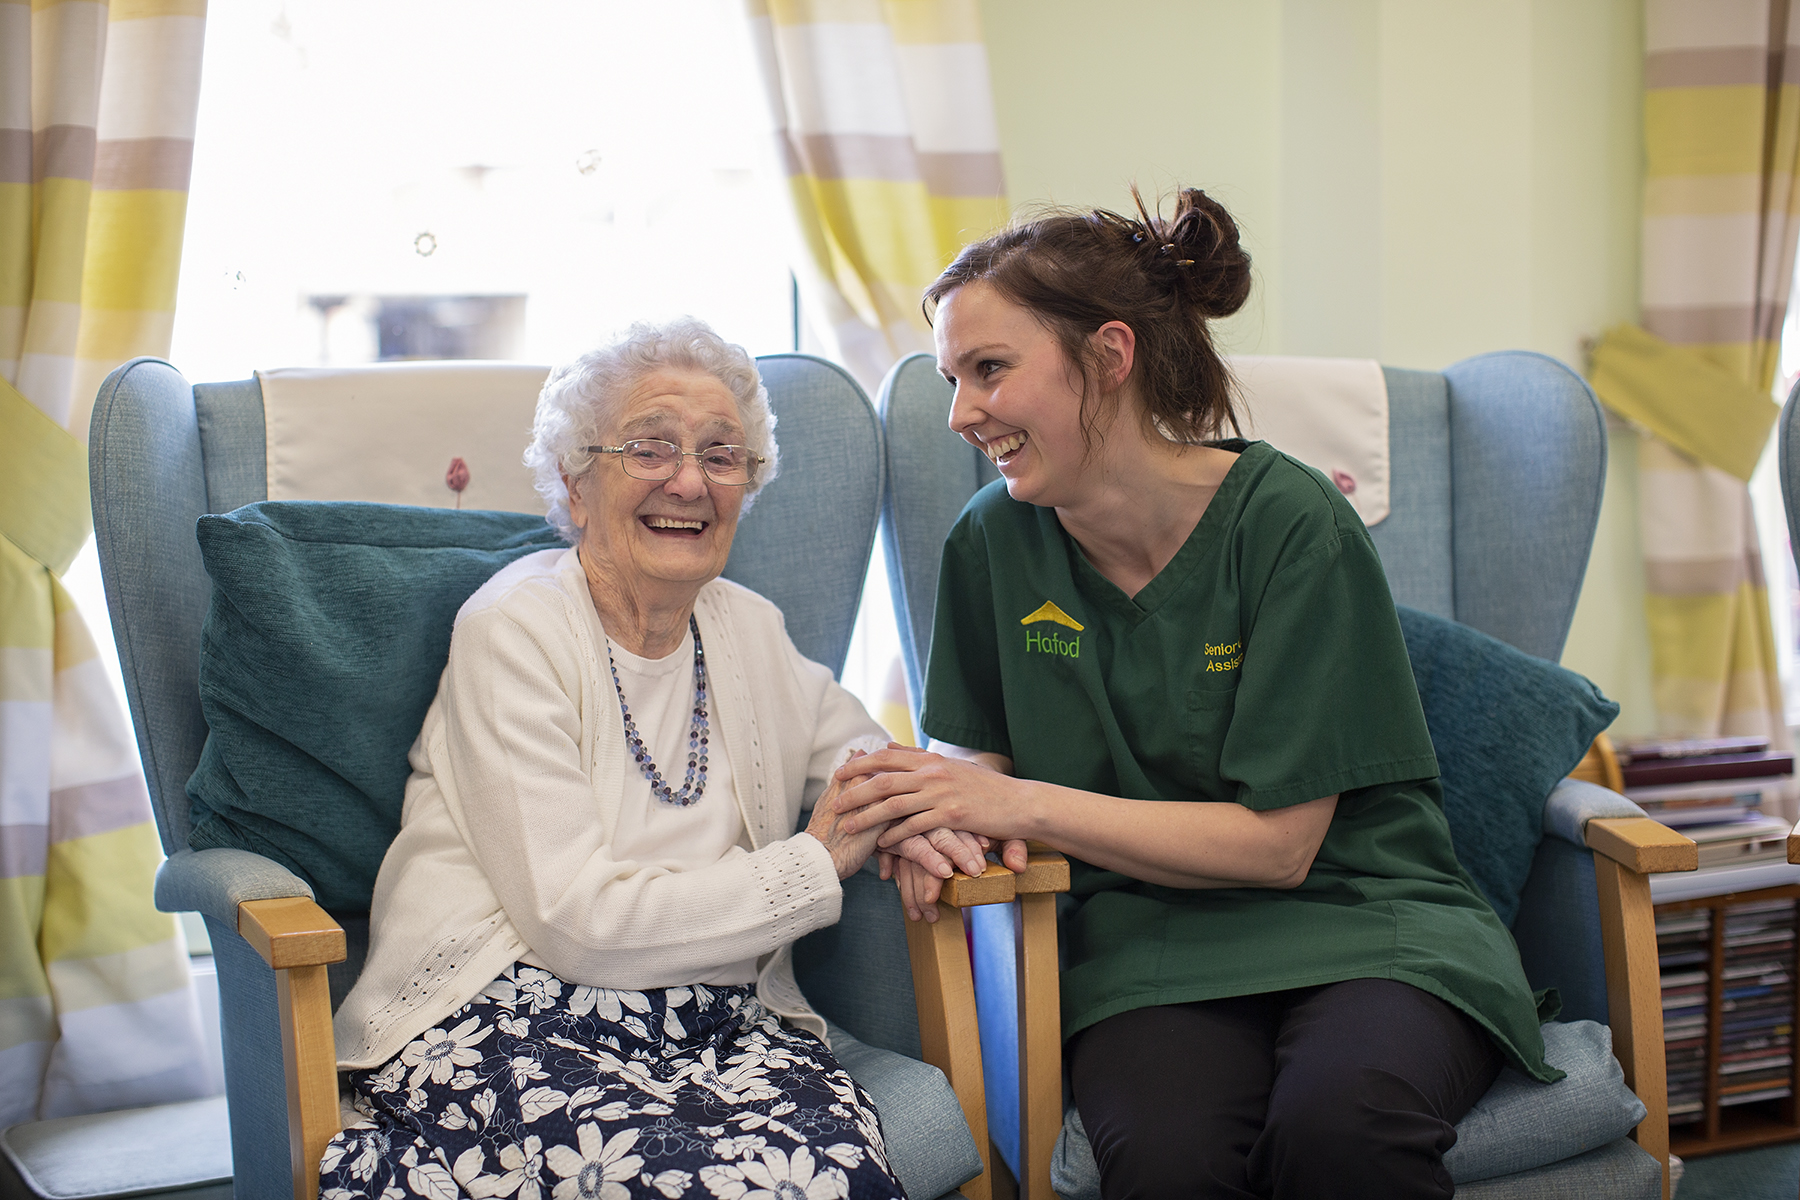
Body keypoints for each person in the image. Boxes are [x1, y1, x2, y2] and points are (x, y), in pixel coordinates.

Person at [834, 190, 1559, 1200]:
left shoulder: (1290, 524)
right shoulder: (991, 544)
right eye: (955, 377)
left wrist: (1015, 805)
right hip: (1147, 944)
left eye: (990, 370)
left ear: (1109, 355)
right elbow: (972, 758)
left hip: (1368, 922)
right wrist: (933, 818)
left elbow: (1279, 847)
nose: (962, 414)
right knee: (1170, 1161)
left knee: (1343, 1131)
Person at [322, 318, 987, 1200]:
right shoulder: (515, 629)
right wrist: (813, 863)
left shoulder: (747, 628)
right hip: (507, 1012)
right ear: (575, 477)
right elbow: (574, 919)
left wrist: (926, 816)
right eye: (650, 447)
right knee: (674, 1182)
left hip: (720, 1021)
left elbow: (865, 763)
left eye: (721, 455)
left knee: (837, 1175)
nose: (689, 481)